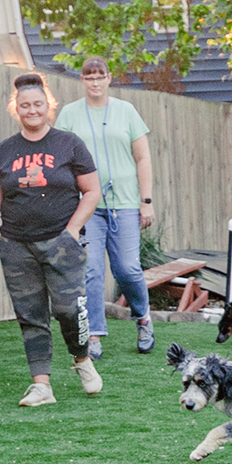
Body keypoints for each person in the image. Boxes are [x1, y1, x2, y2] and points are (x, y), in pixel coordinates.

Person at [0, 72, 102, 406]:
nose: (32, 110)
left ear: (48, 106)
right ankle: (42, 385)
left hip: (62, 243)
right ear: (16, 109)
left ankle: (81, 358)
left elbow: (92, 191)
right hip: (16, 246)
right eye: (25, 105)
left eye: (38, 104)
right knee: (30, 315)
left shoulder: (69, 144)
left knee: (70, 310)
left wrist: (71, 231)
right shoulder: (4, 152)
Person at [55, 56, 155, 359]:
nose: (95, 83)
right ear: (82, 81)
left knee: (128, 268)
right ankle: (95, 334)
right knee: (92, 270)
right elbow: (61, 159)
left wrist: (146, 200)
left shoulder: (126, 111)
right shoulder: (70, 115)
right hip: (88, 206)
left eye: (100, 77)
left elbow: (143, 158)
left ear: (109, 78)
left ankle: (143, 318)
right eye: (89, 78)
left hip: (124, 203)